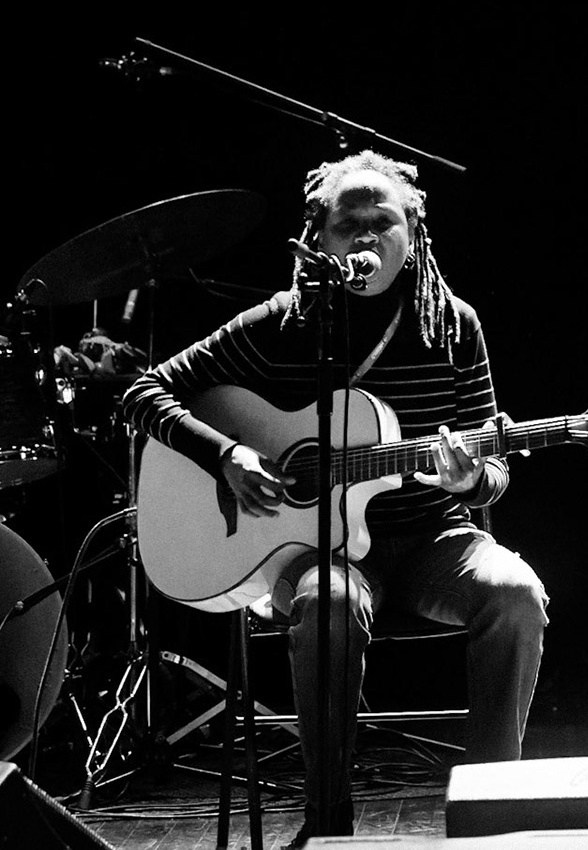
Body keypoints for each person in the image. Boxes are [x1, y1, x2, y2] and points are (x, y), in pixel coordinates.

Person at [123, 151, 548, 844]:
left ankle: (493, 817)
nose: (367, 236)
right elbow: (143, 391)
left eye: (384, 221)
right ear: (317, 239)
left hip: (431, 539)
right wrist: (225, 453)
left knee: (515, 593)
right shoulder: (280, 325)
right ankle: (330, 827)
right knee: (329, 603)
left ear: (414, 235)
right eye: (349, 223)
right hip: (316, 551)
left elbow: (494, 467)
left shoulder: (452, 325)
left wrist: (472, 480)